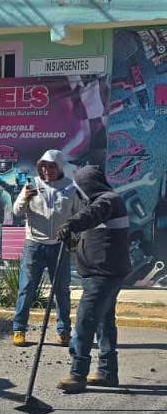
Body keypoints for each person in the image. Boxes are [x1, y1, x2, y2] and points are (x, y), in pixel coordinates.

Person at [55, 165, 131, 393]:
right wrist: (74, 241)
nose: (78, 194)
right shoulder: (96, 205)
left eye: (79, 188)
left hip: (104, 273)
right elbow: (93, 231)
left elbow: (92, 215)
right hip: (97, 272)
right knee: (103, 321)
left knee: (85, 320)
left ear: (87, 185)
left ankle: (78, 374)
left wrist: (72, 223)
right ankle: (107, 372)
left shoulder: (109, 200)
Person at [10, 149, 80, 347]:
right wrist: (25, 198)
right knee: (26, 288)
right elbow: (16, 211)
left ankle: (64, 331)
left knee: (62, 291)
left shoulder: (70, 188)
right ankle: (19, 329)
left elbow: (79, 214)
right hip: (34, 244)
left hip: (59, 246)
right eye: (43, 166)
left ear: (59, 167)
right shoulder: (32, 184)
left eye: (51, 166)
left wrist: (74, 237)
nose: (47, 170)